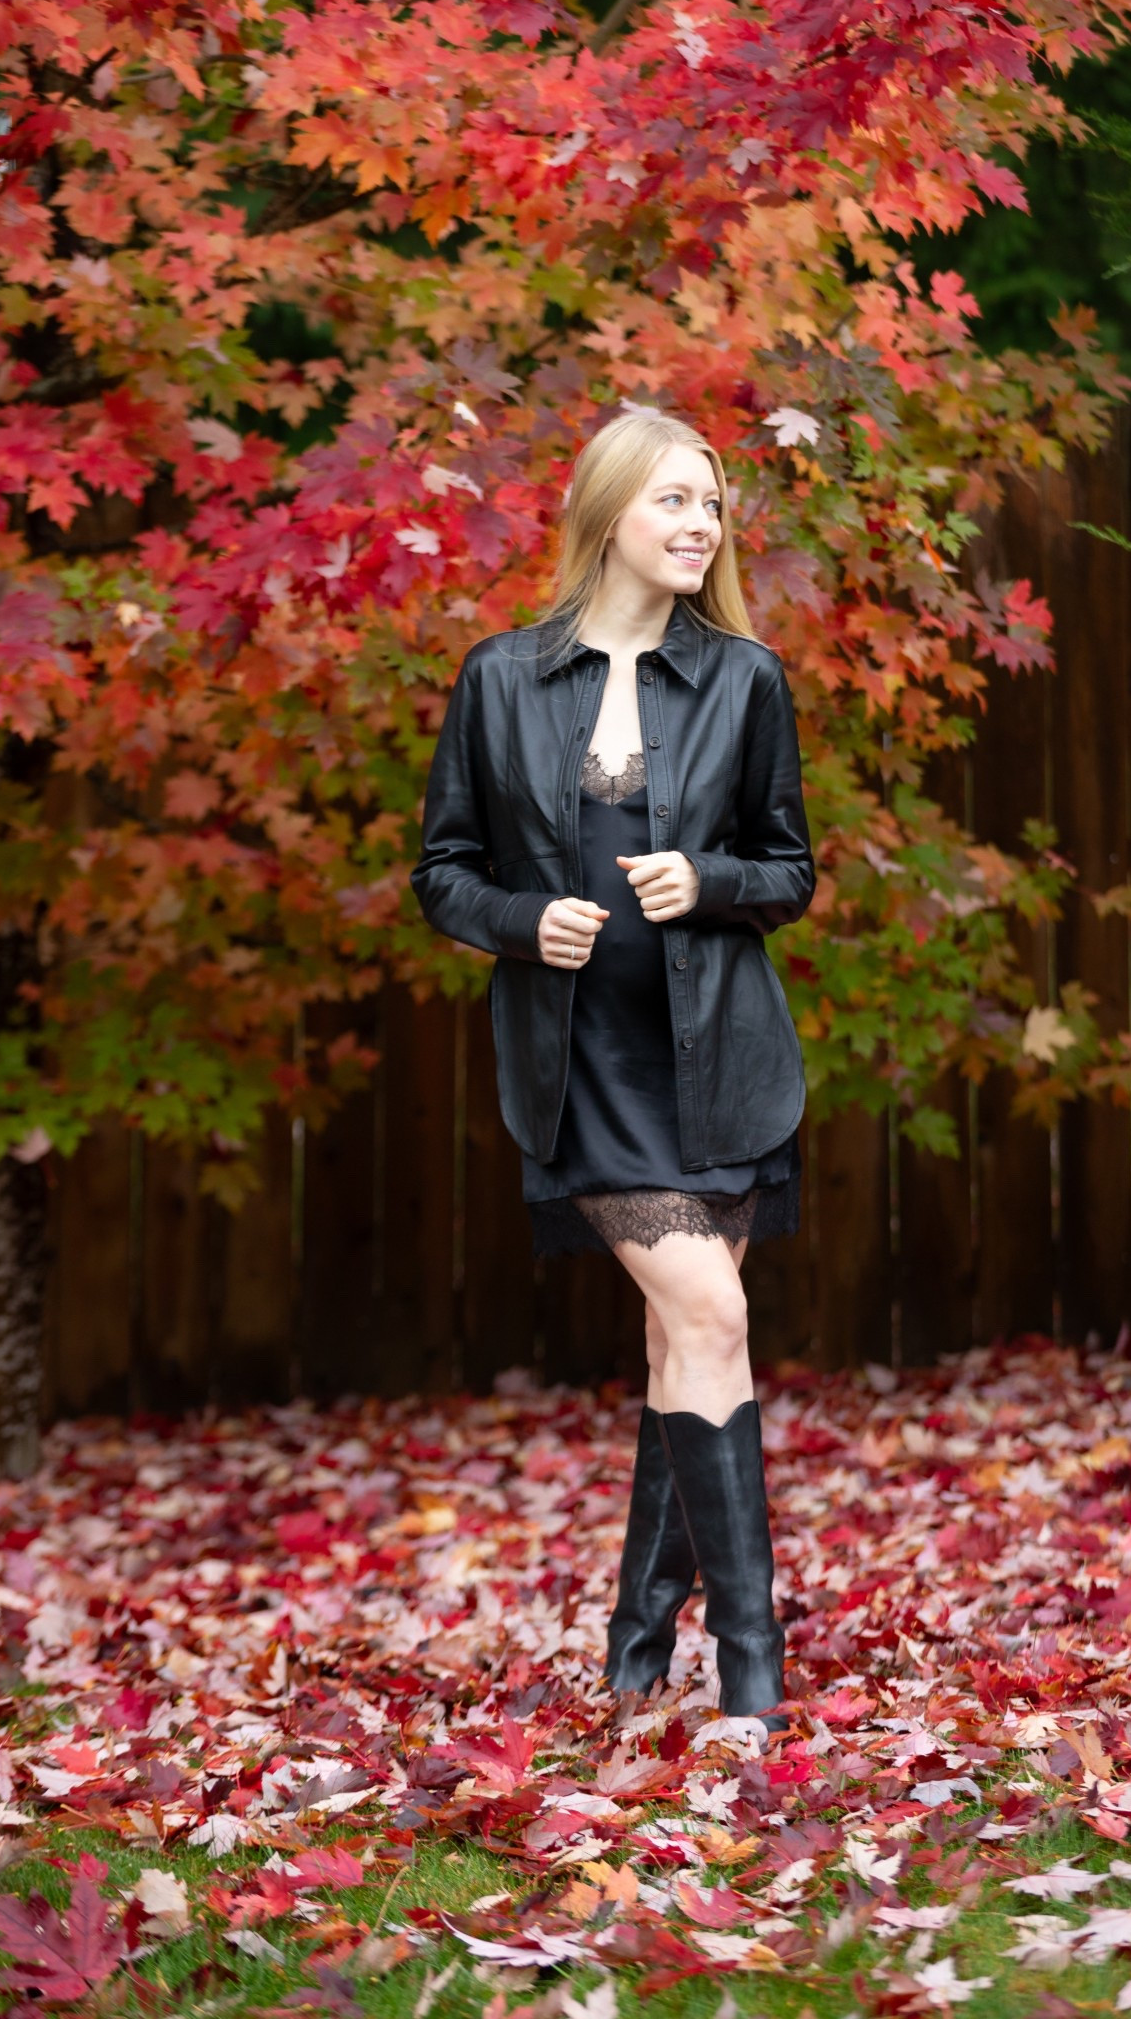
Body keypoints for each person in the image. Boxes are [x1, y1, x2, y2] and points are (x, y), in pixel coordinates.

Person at [411, 408, 815, 1740]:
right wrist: (527, 923)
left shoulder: (745, 679)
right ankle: (750, 1668)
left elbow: (788, 873)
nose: (699, 524)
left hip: (720, 1064)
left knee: (678, 1341)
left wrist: (705, 881)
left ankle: (638, 1650)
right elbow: (443, 873)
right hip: (583, 1066)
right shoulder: (501, 678)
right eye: (673, 502)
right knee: (708, 1321)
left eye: (711, 503)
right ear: (605, 515)